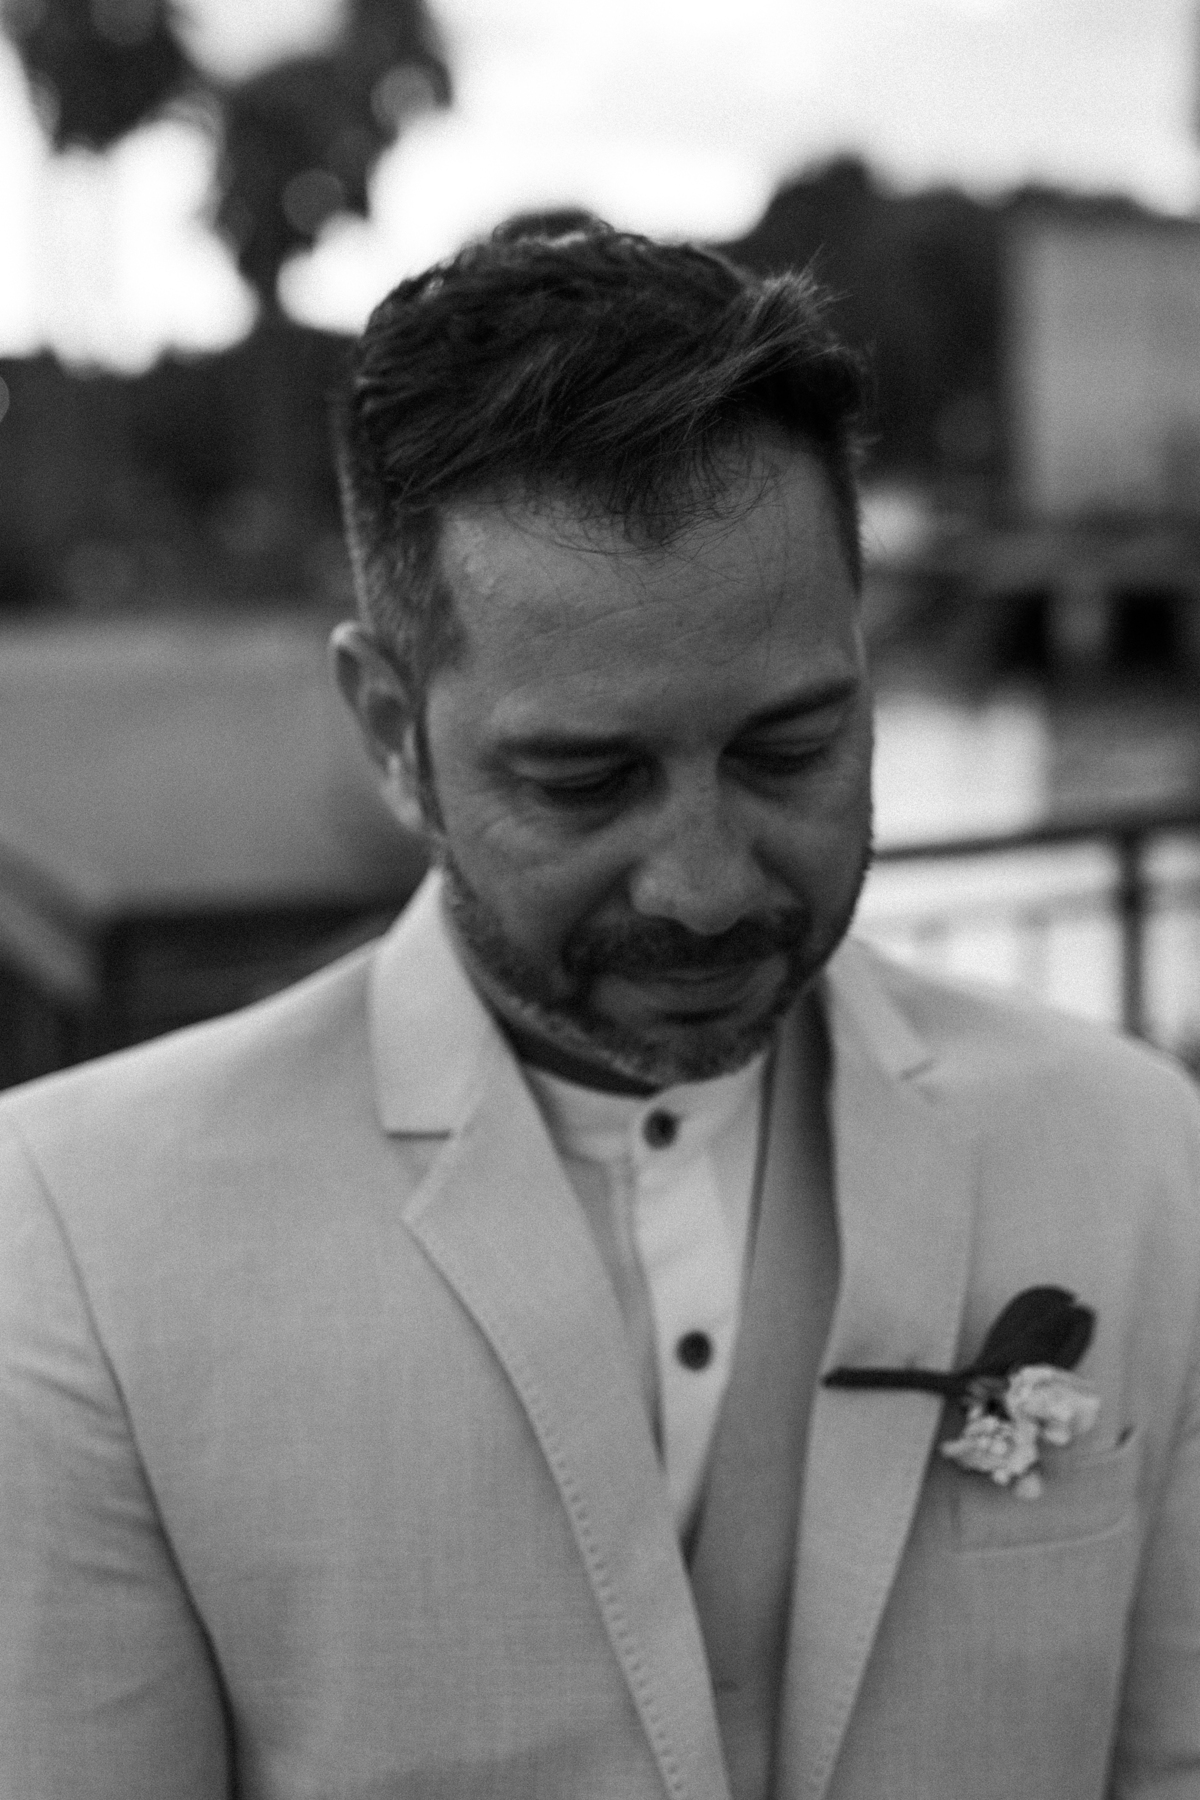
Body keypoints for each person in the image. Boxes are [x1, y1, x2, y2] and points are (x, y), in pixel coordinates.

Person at [1, 220, 1198, 1800]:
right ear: (392, 731)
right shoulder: (78, 1234)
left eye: (789, 751)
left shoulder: (1137, 1153)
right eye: (585, 779)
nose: (703, 886)